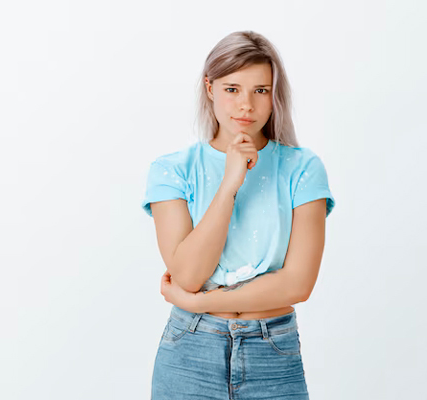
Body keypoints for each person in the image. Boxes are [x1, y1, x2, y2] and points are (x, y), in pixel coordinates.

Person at [141, 30, 335, 400]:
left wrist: (200, 302)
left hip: (272, 355)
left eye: (260, 90)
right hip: (189, 354)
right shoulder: (172, 170)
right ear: (210, 88)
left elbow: (298, 285)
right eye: (232, 89)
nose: (246, 105)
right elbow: (188, 275)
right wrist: (231, 182)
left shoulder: (302, 168)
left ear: (274, 95)